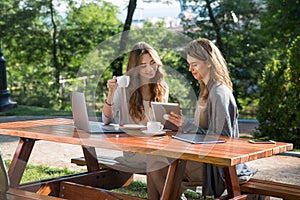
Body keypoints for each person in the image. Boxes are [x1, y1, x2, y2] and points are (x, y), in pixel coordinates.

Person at [148, 38, 254, 199]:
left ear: (209, 62)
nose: (190, 69)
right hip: (204, 158)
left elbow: (222, 139)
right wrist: (182, 126)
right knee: (155, 162)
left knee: (156, 164)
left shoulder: (219, 93)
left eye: (194, 64)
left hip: (216, 166)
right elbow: (202, 133)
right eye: (189, 64)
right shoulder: (206, 89)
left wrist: (188, 126)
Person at [102, 41, 169, 171]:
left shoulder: (163, 87)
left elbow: (162, 122)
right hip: (133, 150)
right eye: (143, 66)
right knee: (161, 160)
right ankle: (169, 191)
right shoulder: (123, 86)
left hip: (154, 145)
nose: (149, 69)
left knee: (171, 159)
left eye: (152, 63)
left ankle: (166, 191)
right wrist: (111, 92)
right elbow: (106, 120)